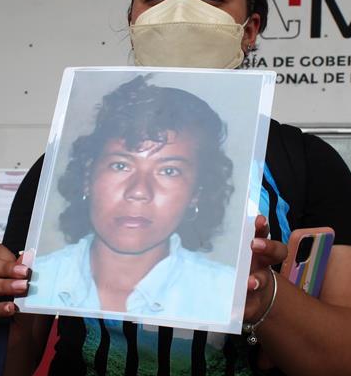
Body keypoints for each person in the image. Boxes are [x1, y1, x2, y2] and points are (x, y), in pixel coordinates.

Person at [0, 0, 351, 376]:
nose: (180, 11)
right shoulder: (63, 164)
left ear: (249, 29)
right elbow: (4, 372)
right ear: (134, 19)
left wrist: (264, 294)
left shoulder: (308, 164)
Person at [27, 74, 237, 323]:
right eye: (120, 165)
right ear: (87, 177)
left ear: (196, 194)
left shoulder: (228, 295)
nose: (139, 191)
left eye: (169, 171)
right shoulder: (36, 280)